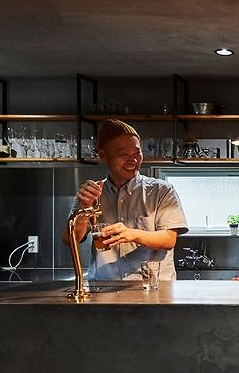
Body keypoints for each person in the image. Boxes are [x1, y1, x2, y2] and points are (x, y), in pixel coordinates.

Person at [63, 119, 188, 281]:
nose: (133, 160)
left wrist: (131, 234)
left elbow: (169, 239)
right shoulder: (92, 193)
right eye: (124, 155)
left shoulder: (161, 190)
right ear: (103, 156)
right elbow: (69, 240)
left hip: (153, 287)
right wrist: (84, 206)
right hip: (105, 286)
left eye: (137, 153)